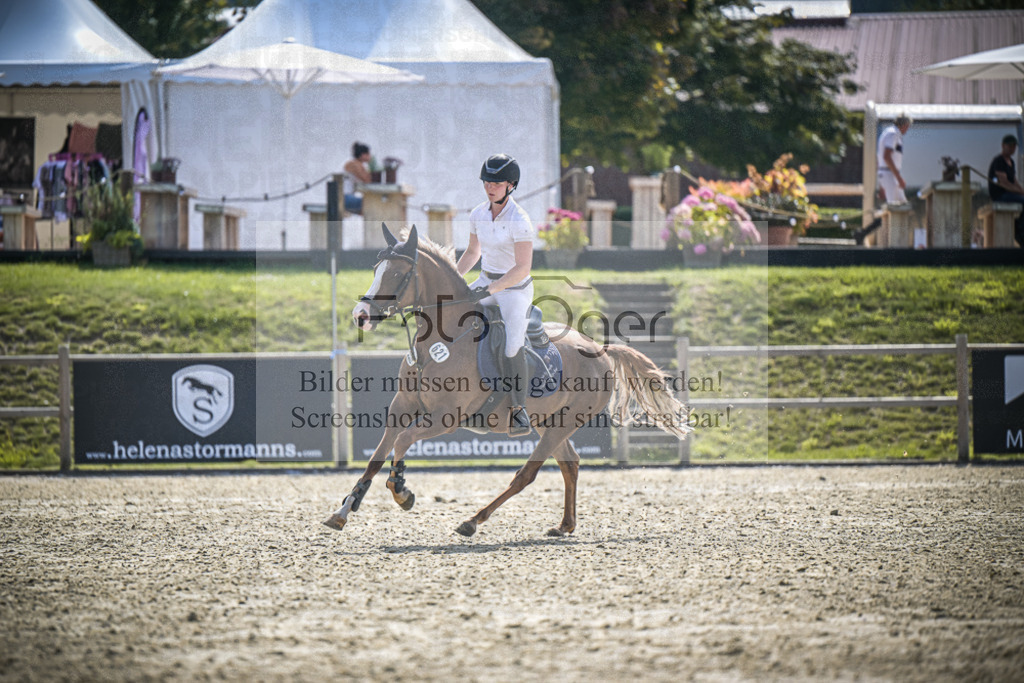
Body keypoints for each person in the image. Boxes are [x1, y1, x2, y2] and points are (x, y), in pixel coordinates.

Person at [456, 154, 535, 437]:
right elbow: (472, 252)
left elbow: (522, 267)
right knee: (454, 320)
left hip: (514, 290)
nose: (491, 187)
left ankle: (518, 409)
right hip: (485, 281)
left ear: (511, 185)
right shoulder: (478, 213)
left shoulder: (520, 219)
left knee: (513, 346)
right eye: (487, 182)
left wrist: (490, 289)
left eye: (497, 183)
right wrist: (453, 279)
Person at [987, 134, 1024, 247]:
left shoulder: (1011, 162)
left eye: (1013, 146)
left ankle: (1018, 226)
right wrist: (1020, 192)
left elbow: (1014, 181)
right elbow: (1004, 183)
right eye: (1009, 146)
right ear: (1003, 146)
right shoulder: (999, 161)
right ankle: (1019, 231)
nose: (1012, 149)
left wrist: (1021, 190)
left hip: (1009, 194)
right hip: (1000, 195)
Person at [877, 114, 912, 204]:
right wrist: (899, 178)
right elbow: (886, 157)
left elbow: (880, 158)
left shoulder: (889, 132)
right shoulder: (893, 133)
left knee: (903, 204)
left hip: (888, 173)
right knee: (895, 207)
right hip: (889, 174)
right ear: (904, 125)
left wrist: (882, 186)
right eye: (908, 126)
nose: (907, 130)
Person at [342, 142, 372, 214]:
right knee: (372, 204)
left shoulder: (355, 163)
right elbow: (367, 180)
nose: (370, 156)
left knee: (372, 204)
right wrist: (372, 164)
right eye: (368, 154)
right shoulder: (353, 164)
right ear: (362, 155)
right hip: (343, 198)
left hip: (346, 197)